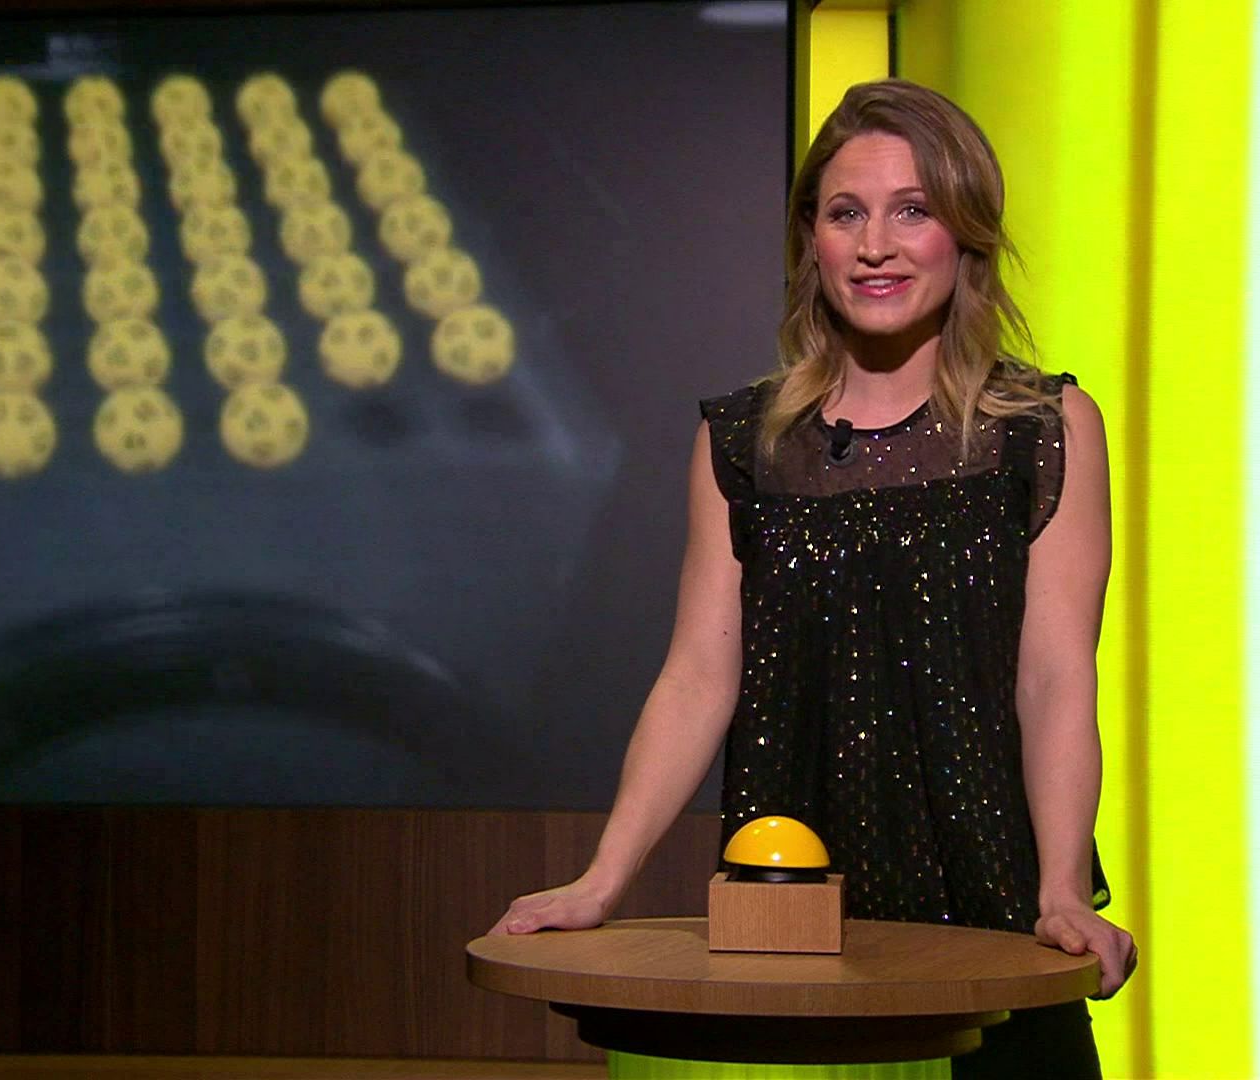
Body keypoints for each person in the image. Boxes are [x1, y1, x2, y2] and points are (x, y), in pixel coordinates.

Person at [486, 79, 1137, 1077]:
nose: (876, 245)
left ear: (965, 233)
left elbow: (1055, 679)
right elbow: (698, 678)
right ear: (811, 241)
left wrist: (1057, 892)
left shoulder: (1044, 432)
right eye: (846, 213)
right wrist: (601, 881)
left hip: (992, 904)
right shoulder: (743, 440)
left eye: (912, 210)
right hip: (791, 906)